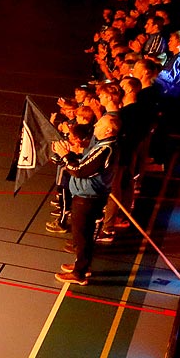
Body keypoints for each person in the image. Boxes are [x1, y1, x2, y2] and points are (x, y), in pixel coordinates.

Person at [57, 114, 117, 286]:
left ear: (107, 130)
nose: (95, 125)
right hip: (89, 197)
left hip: (87, 199)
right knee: (83, 235)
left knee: (82, 236)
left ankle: (79, 273)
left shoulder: (105, 149)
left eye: (99, 124)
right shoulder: (103, 145)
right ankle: (81, 264)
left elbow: (79, 170)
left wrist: (66, 156)